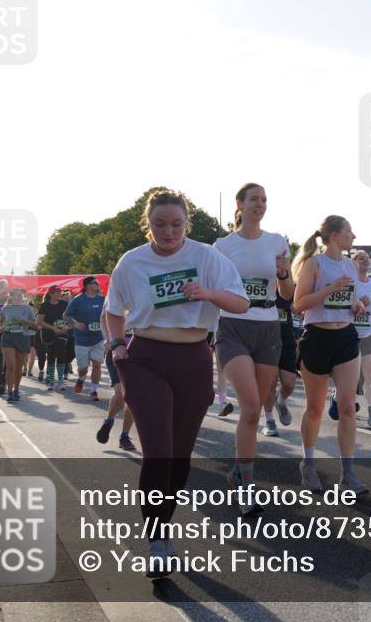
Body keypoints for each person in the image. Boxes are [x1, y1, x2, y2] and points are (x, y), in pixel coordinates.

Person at [105, 189, 248, 578]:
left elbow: (240, 303)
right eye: (159, 225)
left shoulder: (206, 257)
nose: (168, 232)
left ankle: (164, 528)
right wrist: (117, 344)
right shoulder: (131, 262)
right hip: (145, 359)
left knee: (180, 457)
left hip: (194, 359)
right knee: (158, 453)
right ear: (147, 225)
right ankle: (157, 541)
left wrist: (207, 292)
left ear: (187, 223)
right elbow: (113, 313)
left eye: (176, 224)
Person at [213, 183, 294, 512]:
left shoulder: (277, 242)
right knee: (248, 408)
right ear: (240, 204)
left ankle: (237, 471)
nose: (260, 205)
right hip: (232, 326)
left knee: (255, 409)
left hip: (268, 325)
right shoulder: (221, 246)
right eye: (254, 200)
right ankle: (247, 488)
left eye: (264, 200)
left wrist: (285, 272)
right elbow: (212, 287)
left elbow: (287, 294)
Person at [293, 216, 369, 495]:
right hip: (318, 337)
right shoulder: (314, 263)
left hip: (346, 337)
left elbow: (349, 299)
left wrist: (358, 305)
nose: (354, 235)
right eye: (350, 231)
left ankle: (348, 472)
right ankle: (309, 463)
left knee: (348, 407)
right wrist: (329, 290)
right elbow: (298, 305)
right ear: (335, 235)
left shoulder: (349, 264)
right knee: (315, 409)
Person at [350, 250, 371, 430]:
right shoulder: (349, 282)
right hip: (350, 334)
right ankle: (343, 402)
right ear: (353, 263)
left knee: (370, 375)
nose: (364, 260)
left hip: (370, 333)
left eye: (366, 258)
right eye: (359, 258)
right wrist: (356, 304)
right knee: (351, 377)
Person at [95, 302, 137, 451]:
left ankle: (124, 436)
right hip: (117, 350)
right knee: (120, 392)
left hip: (138, 350)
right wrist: (109, 339)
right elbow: (103, 317)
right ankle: (109, 421)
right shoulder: (118, 288)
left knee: (132, 395)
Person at [262, 291, 298, 437]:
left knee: (289, 384)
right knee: (271, 381)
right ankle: (269, 419)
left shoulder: (288, 287)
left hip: (286, 338)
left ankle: (281, 400)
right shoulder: (263, 285)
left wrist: (297, 305)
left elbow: (298, 308)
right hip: (267, 338)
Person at [65, 276, 107, 401]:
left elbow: (109, 315)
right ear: (88, 286)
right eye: (96, 283)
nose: (98, 285)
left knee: (97, 364)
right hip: (82, 340)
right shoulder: (78, 300)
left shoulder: (103, 299)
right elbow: (66, 316)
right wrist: (75, 324)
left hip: (98, 338)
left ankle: (94, 390)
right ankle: (81, 378)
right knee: (83, 368)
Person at [0, 287, 38, 403]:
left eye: (21, 294)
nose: (20, 296)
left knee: (18, 367)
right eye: (17, 294)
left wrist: (26, 321)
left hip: (22, 338)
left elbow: (36, 325)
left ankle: (16, 390)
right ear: (11, 296)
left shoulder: (27, 308)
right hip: (8, 338)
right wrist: (0, 328)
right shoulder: (6, 309)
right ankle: (10, 392)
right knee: (11, 366)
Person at [36, 286, 70, 392]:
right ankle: (51, 381)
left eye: (60, 291)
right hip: (49, 335)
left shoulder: (64, 304)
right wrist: (53, 328)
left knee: (61, 356)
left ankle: (60, 381)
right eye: (57, 292)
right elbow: (39, 322)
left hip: (62, 334)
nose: (59, 293)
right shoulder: (44, 305)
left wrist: (66, 326)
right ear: (51, 293)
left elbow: (69, 318)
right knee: (51, 357)